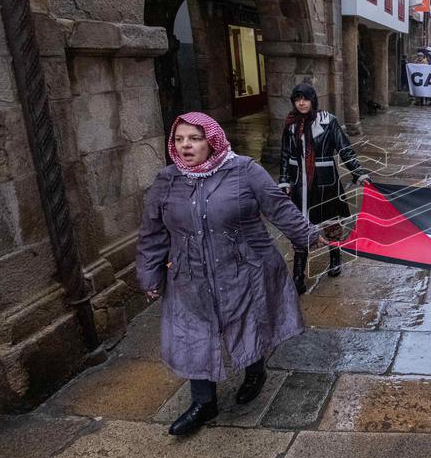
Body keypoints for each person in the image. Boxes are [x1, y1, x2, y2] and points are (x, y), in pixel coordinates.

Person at [137, 112, 323, 436]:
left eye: (194, 138)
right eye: (179, 139)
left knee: (247, 322)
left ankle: (255, 371)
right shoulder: (167, 181)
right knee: (193, 333)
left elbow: (278, 207)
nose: (185, 146)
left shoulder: (244, 171)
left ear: (211, 140)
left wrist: (308, 235)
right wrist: (150, 275)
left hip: (242, 268)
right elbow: (152, 233)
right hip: (189, 275)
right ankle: (203, 402)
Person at [279, 83, 369, 291]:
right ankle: (298, 275)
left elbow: (345, 149)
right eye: (297, 99)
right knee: (300, 226)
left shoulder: (328, 121)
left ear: (313, 100)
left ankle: (335, 257)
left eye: (305, 99)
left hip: (325, 182)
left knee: (331, 223)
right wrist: (284, 180)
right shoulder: (291, 124)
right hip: (299, 184)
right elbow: (285, 154)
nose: (301, 103)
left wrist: (358, 173)